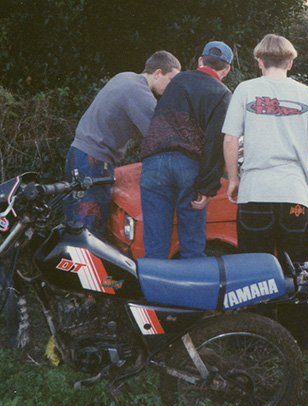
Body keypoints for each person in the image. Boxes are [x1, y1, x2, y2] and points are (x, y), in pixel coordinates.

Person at [222, 34, 308, 348]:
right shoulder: (305, 93)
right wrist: (296, 135)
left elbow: (230, 139)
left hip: (256, 193)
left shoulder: (245, 90)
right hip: (294, 194)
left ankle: (254, 337)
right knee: (296, 269)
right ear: (291, 62)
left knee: (253, 268)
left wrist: (233, 180)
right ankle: (297, 339)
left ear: (259, 62)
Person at [64, 51, 181, 236]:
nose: (172, 87)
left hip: (78, 154)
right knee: (87, 231)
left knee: (74, 224)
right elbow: (159, 136)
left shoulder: (125, 77)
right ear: (158, 73)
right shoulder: (139, 92)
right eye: (171, 80)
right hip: (94, 161)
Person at [138, 41, 233, 259]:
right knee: (192, 245)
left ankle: (155, 292)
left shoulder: (178, 80)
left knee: (154, 246)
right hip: (188, 166)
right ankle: (193, 291)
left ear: (200, 61)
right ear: (226, 69)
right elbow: (215, 143)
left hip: (154, 163)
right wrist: (207, 187)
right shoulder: (223, 95)